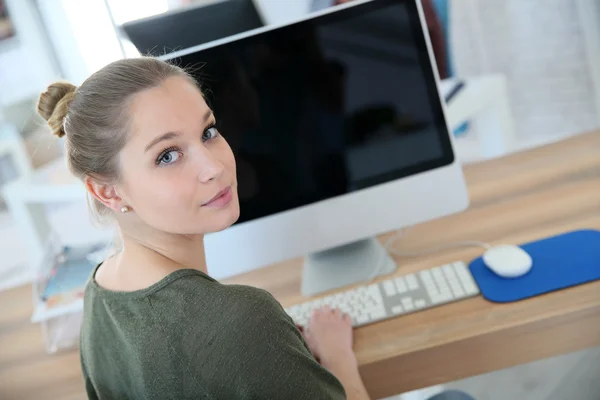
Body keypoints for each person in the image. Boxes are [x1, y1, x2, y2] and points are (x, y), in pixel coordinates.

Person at [37, 57, 475, 400]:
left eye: (208, 132)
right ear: (108, 193)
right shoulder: (241, 320)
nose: (215, 166)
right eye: (167, 155)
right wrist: (337, 359)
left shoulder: (99, 294)